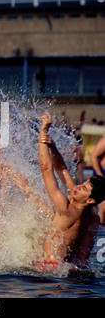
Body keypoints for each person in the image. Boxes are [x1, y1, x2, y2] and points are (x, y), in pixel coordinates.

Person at [37, 112, 105, 269]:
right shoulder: (92, 216)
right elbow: (62, 170)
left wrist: (43, 135)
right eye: (84, 183)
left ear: (90, 200)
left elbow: (46, 170)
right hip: (68, 268)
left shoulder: (66, 209)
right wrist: (52, 146)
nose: (79, 186)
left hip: (49, 269)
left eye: (84, 188)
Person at [90, 135, 105, 223]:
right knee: (103, 209)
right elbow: (93, 156)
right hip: (102, 174)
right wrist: (100, 176)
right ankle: (97, 232)